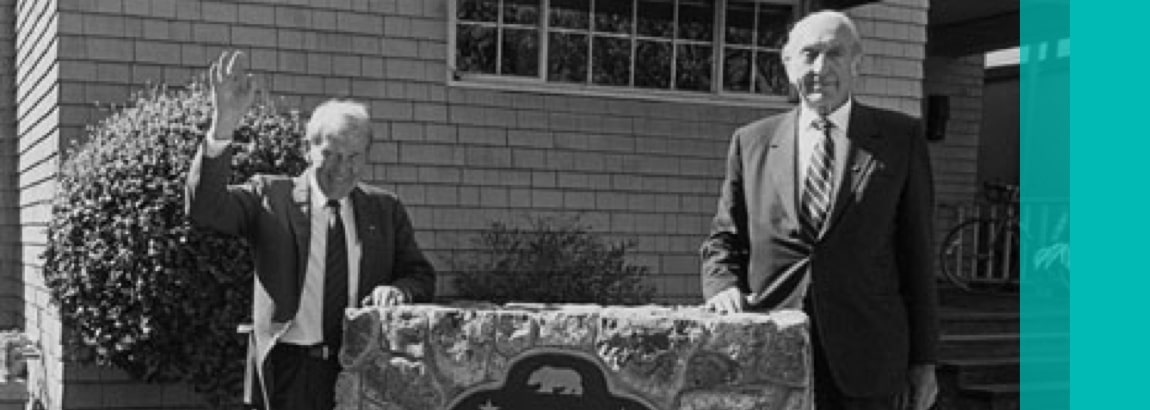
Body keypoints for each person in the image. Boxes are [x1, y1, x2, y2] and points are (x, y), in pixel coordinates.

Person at [700, 11, 938, 410]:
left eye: (835, 54)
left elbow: (918, 255)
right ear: (788, 62)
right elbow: (725, 238)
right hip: (770, 354)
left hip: (868, 361)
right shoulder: (751, 142)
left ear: (856, 63)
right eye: (809, 54)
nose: (820, 68)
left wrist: (925, 361)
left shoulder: (901, 139)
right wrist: (722, 284)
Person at [185, 50, 436, 410]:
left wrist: (398, 291)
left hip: (361, 367)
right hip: (289, 371)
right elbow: (206, 210)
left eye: (354, 157)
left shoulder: (385, 209)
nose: (342, 169)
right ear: (308, 149)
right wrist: (222, 127)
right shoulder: (271, 197)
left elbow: (419, 275)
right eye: (331, 154)